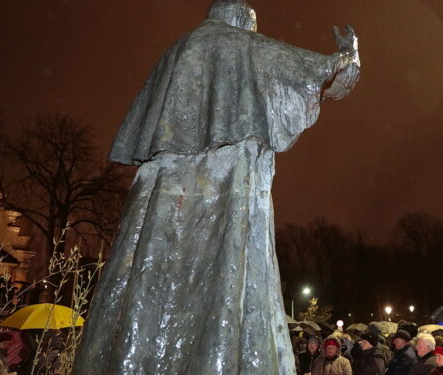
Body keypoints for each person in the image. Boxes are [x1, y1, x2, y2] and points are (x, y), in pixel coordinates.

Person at [72, 0, 360, 374]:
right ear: (241, 18)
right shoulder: (240, 44)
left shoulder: (176, 50)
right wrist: (347, 55)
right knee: (226, 268)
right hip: (225, 184)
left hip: (166, 188)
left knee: (148, 275)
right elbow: (319, 72)